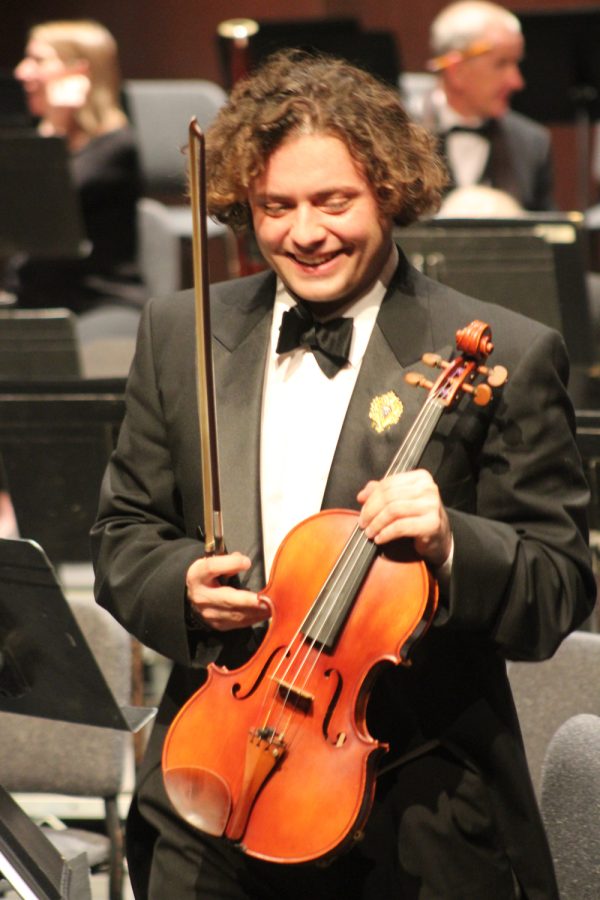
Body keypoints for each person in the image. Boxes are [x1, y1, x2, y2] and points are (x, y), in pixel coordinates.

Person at [91, 49, 595, 899]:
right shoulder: (182, 334)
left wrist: (449, 543)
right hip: (213, 784)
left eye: (335, 201)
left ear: (390, 192)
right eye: (274, 207)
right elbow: (122, 533)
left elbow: (558, 587)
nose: (305, 233)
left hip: (414, 806)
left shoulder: (502, 350)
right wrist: (180, 586)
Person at [8, 20, 145, 313]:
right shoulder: (44, 137)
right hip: (36, 299)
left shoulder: (115, 148)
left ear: (79, 71)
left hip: (97, 304)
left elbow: (38, 211)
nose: (22, 71)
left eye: (38, 60)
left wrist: (56, 125)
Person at [422, 0, 555, 211]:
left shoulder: (532, 143)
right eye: (501, 64)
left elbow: (548, 238)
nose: (517, 81)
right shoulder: (399, 136)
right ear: (457, 70)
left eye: (516, 63)